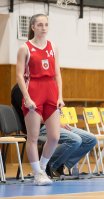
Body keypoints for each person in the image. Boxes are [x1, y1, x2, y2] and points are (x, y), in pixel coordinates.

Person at [16, 13, 63, 185]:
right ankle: (37, 174)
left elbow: (58, 73)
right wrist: (27, 98)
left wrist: (60, 96)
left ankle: (41, 169)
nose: (44, 28)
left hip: (51, 91)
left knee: (54, 137)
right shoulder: (25, 48)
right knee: (33, 136)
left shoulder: (53, 47)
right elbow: (19, 76)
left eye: (46, 25)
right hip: (34, 91)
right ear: (33, 27)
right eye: (40, 25)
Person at [11, 84, 97, 177]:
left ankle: (58, 164)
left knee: (91, 139)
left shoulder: (40, 85)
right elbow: (33, 115)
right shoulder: (19, 89)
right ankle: (49, 165)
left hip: (51, 123)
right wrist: (55, 123)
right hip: (37, 127)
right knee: (75, 140)